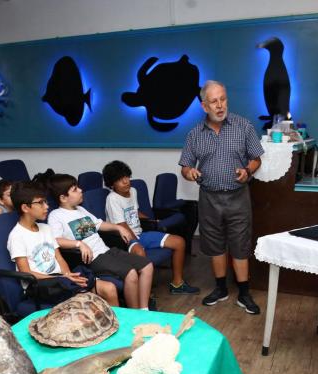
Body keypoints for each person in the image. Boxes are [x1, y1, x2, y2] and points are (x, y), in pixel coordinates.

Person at [179, 80, 264, 314]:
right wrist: (190, 172)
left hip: (238, 197)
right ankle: (220, 289)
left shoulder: (243, 126)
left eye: (223, 99)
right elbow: (185, 166)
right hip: (209, 198)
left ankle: (244, 293)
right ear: (204, 106)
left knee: (240, 244)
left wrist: (248, 170)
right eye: (214, 101)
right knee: (215, 245)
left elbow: (257, 157)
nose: (220, 105)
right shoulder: (195, 134)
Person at [47, 173, 153, 309]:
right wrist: (79, 243)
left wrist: (118, 228)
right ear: (63, 198)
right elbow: (56, 239)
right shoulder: (56, 215)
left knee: (147, 266)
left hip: (106, 251)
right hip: (93, 259)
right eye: (74, 190)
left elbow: (99, 224)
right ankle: (134, 314)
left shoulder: (81, 209)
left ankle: (144, 310)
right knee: (131, 273)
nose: (80, 190)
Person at [8, 181, 118, 306]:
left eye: (45, 201)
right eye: (40, 203)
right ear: (25, 208)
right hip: (41, 285)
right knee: (87, 300)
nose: (46, 206)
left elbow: (59, 258)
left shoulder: (46, 228)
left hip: (60, 279)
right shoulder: (17, 236)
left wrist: (67, 275)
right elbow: (26, 273)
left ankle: (119, 324)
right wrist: (62, 278)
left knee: (109, 288)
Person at [102, 160, 199, 296]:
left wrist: (151, 220)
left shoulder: (133, 191)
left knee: (179, 242)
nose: (126, 182)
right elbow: (121, 225)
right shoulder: (112, 199)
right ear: (111, 184)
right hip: (123, 239)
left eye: (127, 177)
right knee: (140, 253)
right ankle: (143, 294)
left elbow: (135, 212)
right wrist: (135, 242)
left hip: (140, 234)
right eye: (120, 180)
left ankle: (177, 284)